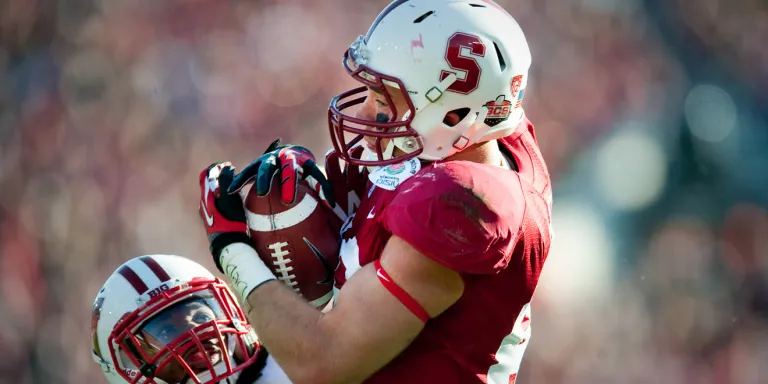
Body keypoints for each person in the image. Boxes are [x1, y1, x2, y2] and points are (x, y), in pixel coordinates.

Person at [199, 1, 553, 383]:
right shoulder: (471, 139)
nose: (367, 114)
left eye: (383, 100)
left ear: (453, 115)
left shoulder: (461, 203)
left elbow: (321, 364)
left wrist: (233, 251)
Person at [90, 254, 291, 383]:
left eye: (201, 316)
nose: (197, 334)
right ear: (130, 366)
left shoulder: (291, 370)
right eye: (166, 332)